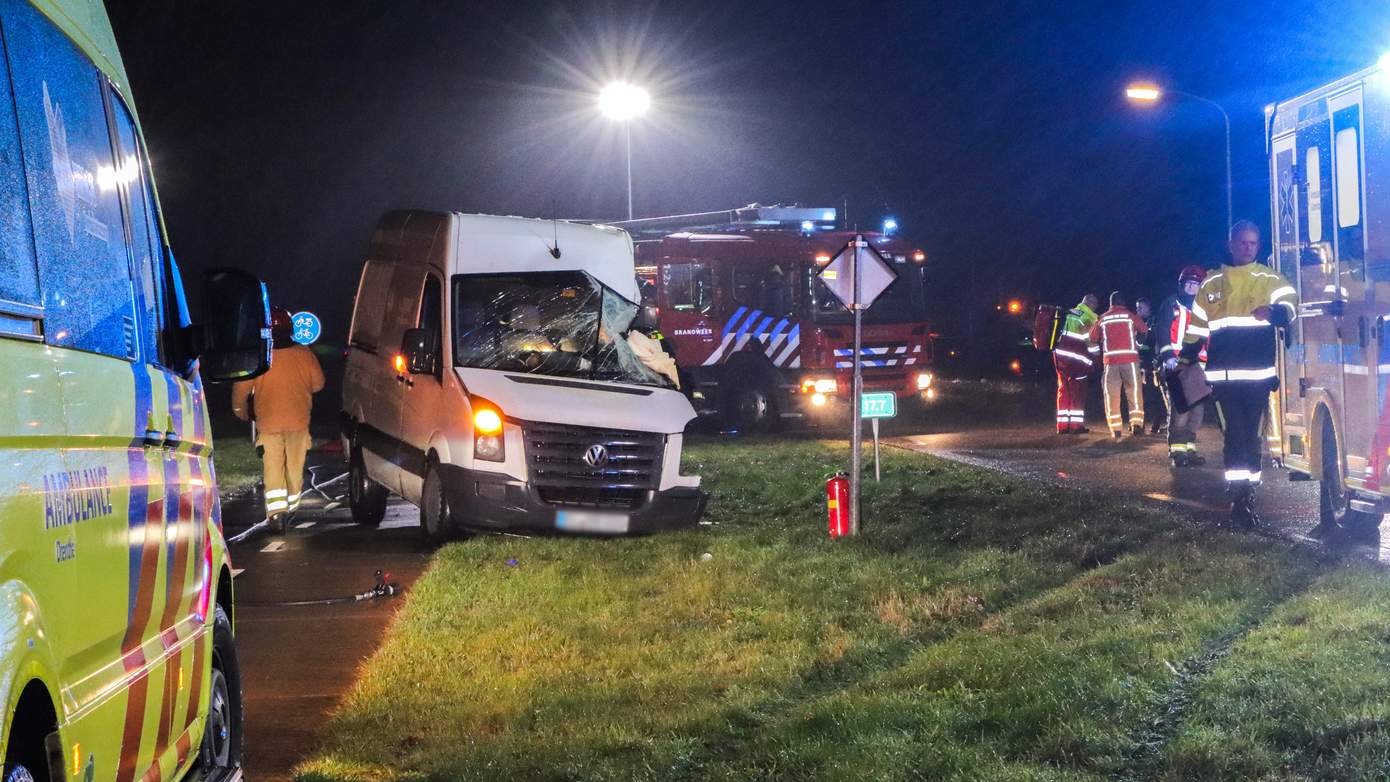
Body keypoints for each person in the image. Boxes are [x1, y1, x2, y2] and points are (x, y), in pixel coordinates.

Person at [1181, 221, 1298, 527]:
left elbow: (1291, 303)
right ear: (1230, 244)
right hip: (1223, 379)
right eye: (1243, 242)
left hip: (1258, 378)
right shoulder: (1211, 283)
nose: (1248, 248)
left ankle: (1248, 495)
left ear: (1258, 247)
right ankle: (1238, 497)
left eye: (1253, 243)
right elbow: (1195, 328)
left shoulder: (1269, 279)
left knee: (1252, 438)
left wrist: (1275, 313)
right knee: (1235, 436)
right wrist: (1184, 358)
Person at [232, 306, 326, 532]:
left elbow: (240, 392)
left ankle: (276, 515)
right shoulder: (304, 354)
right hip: (298, 424)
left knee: (272, 469)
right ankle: (291, 507)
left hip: (268, 425)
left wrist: (242, 412)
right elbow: (318, 384)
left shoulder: (258, 357)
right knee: (294, 470)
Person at [1158, 265, 1208, 467]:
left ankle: (1189, 448)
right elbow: (1162, 332)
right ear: (1181, 285)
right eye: (1188, 284)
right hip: (1176, 365)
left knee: (1197, 412)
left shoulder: (1204, 310)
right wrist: (1168, 356)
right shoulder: (1171, 304)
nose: (1191, 288)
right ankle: (1177, 452)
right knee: (1181, 410)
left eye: (1195, 285)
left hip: (1198, 367)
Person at [1090, 291, 1148, 438]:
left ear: (1111, 303)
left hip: (1110, 363)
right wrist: (1138, 344)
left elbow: (1092, 337)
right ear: (1124, 303)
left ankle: (1115, 429)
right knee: (1134, 392)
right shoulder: (1130, 316)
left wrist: (1097, 352)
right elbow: (1144, 330)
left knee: (1111, 395)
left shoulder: (1103, 318)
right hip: (1130, 360)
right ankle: (1136, 425)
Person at [1051, 294, 1100, 433]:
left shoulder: (1069, 312)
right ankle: (1076, 426)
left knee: (1063, 390)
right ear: (1090, 303)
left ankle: (1062, 426)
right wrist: (1097, 354)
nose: (1096, 307)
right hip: (1077, 361)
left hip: (1060, 357)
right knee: (1078, 393)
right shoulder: (1087, 318)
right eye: (1095, 304)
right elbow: (1090, 342)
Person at [1135, 297, 1167, 435]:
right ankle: (1148, 424)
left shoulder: (1153, 322)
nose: (1138, 310)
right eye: (1137, 307)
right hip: (1146, 363)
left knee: (1154, 395)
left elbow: (1150, 343)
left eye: (1141, 307)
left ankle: (1155, 424)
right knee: (1149, 395)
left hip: (1152, 364)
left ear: (1149, 308)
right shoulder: (1144, 322)